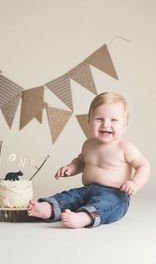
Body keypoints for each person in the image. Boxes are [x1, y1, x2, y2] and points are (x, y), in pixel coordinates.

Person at [28, 92, 151, 228]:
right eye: (99, 119)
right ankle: (48, 208)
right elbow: (81, 161)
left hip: (115, 193)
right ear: (89, 121)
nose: (106, 124)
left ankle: (85, 217)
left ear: (124, 125)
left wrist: (134, 183)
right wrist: (70, 168)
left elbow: (144, 166)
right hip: (87, 190)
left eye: (114, 120)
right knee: (70, 196)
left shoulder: (125, 147)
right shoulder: (89, 144)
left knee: (108, 205)